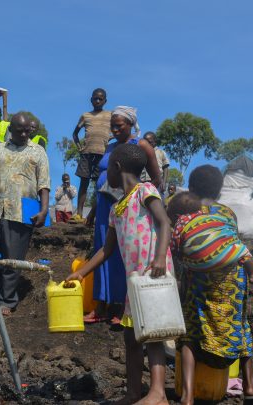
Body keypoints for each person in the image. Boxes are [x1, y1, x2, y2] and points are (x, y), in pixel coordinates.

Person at [68, 143, 173, 405]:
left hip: (153, 274)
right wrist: (81, 272)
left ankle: (158, 394)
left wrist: (160, 258)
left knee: (154, 334)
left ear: (116, 168)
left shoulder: (145, 192)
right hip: (134, 282)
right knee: (131, 335)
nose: (104, 177)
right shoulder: (118, 208)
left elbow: (164, 221)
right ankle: (133, 393)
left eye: (106, 171)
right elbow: (107, 249)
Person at [174, 165, 253, 404]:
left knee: (190, 331)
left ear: (190, 189)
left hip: (198, 278)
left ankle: (188, 395)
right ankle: (250, 386)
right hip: (231, 277)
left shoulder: (186, 211)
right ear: (220, 191)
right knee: (240, 324)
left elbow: (182, 248)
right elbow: (231, 241)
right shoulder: (228, 213)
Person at [83, 106, 161, 325]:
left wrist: (139, 203)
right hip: (104, 206)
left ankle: (119, 306)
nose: (115, 129)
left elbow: (156, 179)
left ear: (130, 124)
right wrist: (92, 212)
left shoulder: (141, 145)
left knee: (119, 255)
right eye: (112, 126)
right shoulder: (109, 147)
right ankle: (100, 305)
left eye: (119, 125)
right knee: (102, 250)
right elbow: (102, 179)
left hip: (129, 207)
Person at [0, 112, 50, 315]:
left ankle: (7, 301)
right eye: (19, 131)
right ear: (11, 129)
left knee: (13, 257)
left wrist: (44, 210)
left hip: (21, 212)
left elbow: (44, 184)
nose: (24, 134)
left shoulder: (37, 152)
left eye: (26, 130)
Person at [72, 88, 112, 220]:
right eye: (95, 98)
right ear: (91, 100)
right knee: (84, 183)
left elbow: (117, 129)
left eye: (101, 99)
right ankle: (78, 213)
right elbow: (75, 133)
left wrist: (109, 140)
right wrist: (79, 147)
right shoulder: (86, 116)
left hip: (102, 155)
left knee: (99, 186)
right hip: (87, 154)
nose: (98, 101)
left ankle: (94, 215)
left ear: (105, 101)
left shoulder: (110, 115)